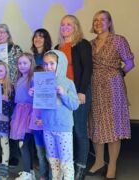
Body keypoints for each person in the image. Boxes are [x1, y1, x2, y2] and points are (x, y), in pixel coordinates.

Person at [87, 10, 134, 179]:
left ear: (109, 22)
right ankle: (99, 161)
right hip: (94, 87)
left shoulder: (118, 40)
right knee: (96, 124)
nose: (98, 23)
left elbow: (129, 62)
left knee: (114, 125)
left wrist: (119, 74)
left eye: (102, 20)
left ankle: (112, 165)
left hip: (113, 87)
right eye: (95, 20)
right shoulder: (90, 44)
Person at [55, 14, 93, 180]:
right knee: (66, 131)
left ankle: (81, 167)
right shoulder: (57, 47)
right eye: (62, 25)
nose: (65, 27)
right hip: (62, 95)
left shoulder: (82, 44)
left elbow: (87, 69)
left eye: (69, 24)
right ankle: (68, 165)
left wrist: (82, 91)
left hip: (78, 93)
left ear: (76, 27)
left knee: (79, 130)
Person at [0, 23, 23, 167]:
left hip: (10, 89)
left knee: (11, 122)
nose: (0, 35)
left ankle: (12, 155)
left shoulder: (16, 49)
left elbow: (22, 69)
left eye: (2, 32)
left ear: (8, 34)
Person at [39, 50, 79, 179]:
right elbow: (42, 106)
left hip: (63, 128)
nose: (48, 67)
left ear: (60, 64)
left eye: (52, 63)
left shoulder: (68, 83)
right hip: (48, 127)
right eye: (45, 64)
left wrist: (64, 94)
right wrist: (34, 94)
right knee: (53, 162)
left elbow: (75, 105)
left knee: (66, 162)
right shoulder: (42, 82)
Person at [10, 53, 36, 179]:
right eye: (20, 63)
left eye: (25, 63)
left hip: (28, 113)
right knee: (26, 144)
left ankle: (27, 172)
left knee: (24, 144)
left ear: (31, 64)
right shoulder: (19, 79)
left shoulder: (33, 79)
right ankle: (29, 171)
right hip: (19, 112)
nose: (22, 65)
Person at [28, 65, 51, 180]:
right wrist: (31, 93)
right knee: (40, 154)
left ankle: (52, 176)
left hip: (48, 126)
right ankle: (43, 175)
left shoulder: (51, 90)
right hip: (36, 127)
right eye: (35, 77)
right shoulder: (32, 90)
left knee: (50, 154)